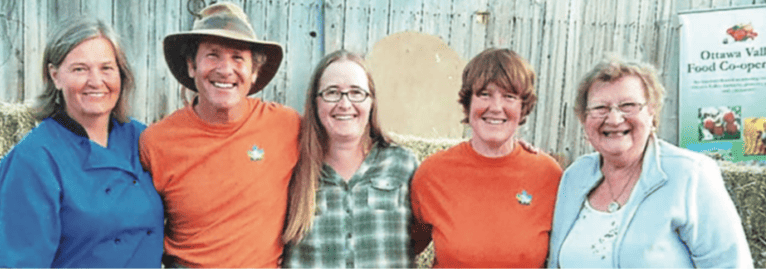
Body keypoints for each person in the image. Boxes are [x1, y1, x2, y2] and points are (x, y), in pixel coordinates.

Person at [547, 56, 753, 268]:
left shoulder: (690, 174)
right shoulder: (575, 177)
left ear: (651, 112)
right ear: (584, 118)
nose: (614, 119)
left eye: (628, 105)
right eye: (600, 108)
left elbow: (730, 264)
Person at [138, 2, 300, 267]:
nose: (225, 70)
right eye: (212, 55)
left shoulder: (287, 125)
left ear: (254, 71)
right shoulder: (156, 142)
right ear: (192, 66)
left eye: (238, 57)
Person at [0, 18, 163, 267]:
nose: (96, 81)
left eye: (106, 68)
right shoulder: (34, 159)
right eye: (79, 69)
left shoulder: (142, 138)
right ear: (55, 76)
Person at [410, 48, 563, 268]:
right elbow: (401, 248)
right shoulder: (433, 173)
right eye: (484, 94)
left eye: (509, 96)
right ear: (468, 102)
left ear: (523, 107)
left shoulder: (548, 174)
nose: (496, 107)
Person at [281, 50, 419, 268]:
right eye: (332, 92)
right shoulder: (291, 167)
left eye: (356, 93)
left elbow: (422, 235)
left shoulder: (403, 164)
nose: (345, 104)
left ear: (371, 101)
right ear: (315, 102)